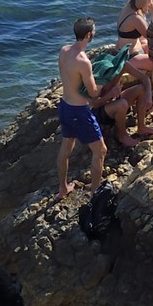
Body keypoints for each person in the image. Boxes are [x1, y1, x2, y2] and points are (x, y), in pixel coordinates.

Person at [55, 19, 109, 197]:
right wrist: (104, 85)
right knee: (100, 150)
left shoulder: (64, 51)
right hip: (79, 111)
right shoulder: (84, 61)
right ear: (88, 35)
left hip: (65, 106)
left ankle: (62, 188)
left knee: (66, 146)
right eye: (93, 31)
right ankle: (95, 192)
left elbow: (68, 76)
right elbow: (93, 93)